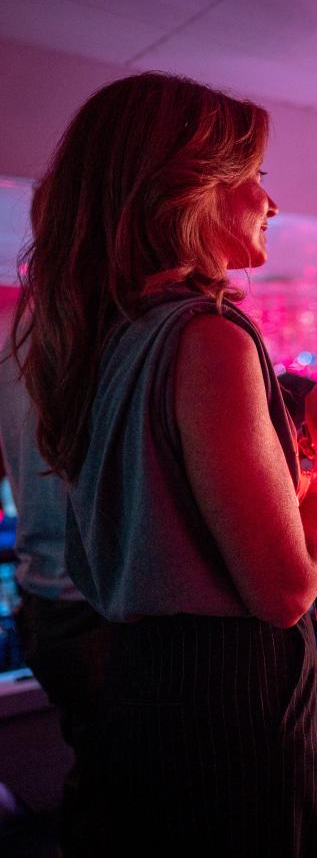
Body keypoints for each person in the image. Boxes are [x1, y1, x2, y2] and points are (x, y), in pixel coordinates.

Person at [14, 71, 317, 855]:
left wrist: (307, 457)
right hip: (231, 711)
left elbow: (195, 534)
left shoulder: (113, 337)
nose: (271, 201)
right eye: (255, 177)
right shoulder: (209, 336)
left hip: (145, 698)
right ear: (189, 190)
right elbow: (283, 589)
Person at [0, 328, 112, 856]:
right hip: (94, 603)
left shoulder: (13, 343)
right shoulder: (103, 333)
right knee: (135, 784)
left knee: (97, 768)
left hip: (43, 601)